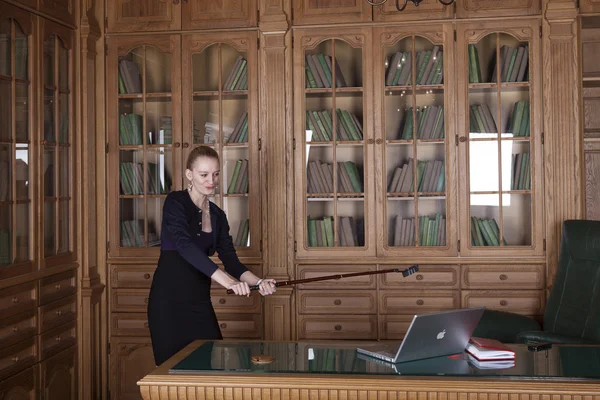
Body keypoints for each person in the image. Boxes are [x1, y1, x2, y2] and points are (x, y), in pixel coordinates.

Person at [147, 145, 276, 366]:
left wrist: (259, 282)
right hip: (167, 304)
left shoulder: (218, 215)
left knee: (205, 370)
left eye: (216, 174)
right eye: (204, 174)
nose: (211, 180)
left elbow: (231, 260)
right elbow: (185, 246)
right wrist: (229, 282)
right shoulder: (175, 202)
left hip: (199, 303)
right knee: (171, 376)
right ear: (190, 175)